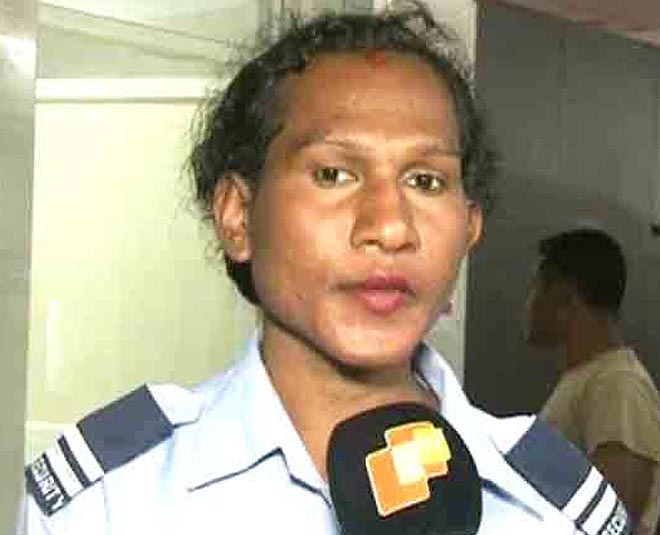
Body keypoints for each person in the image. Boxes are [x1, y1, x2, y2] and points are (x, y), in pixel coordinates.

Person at [23, 4, 630, 534]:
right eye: (333, 174)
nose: (390, 226)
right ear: (239, 215)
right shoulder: (110, 503)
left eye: (425, 181)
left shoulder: (553, 511)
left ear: (469, 226)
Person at [526, 227, 660, 535]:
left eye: (536, 286)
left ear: (565, 297)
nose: (528, 302)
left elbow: (615, 518)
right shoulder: (588, 379)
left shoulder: (618, 384)